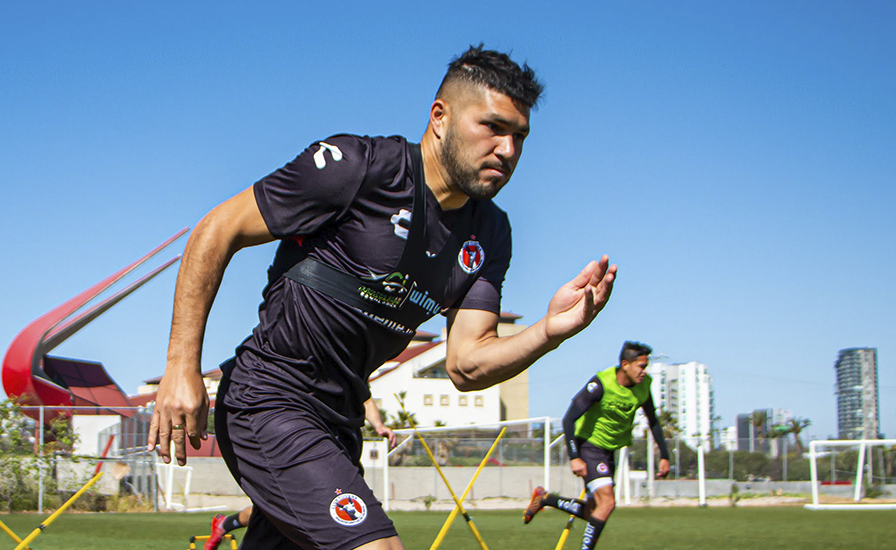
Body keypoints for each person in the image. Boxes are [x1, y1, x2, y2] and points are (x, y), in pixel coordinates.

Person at [148, 44, 617, 550]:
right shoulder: (360, 167)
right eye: (492, 127)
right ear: (440, 117)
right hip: (270, 399)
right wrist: (180, 367)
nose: (507, 150)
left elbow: (467, 363)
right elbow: (216, 229)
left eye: (519, 136)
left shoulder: (490, 234)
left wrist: (547, 331)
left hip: (340, 424)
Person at [522, 341, 670, 550]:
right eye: (641, 366)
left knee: (594, 512)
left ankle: (546, 499)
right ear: (625, 364)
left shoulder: (644, 386)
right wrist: (575, 457)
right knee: (608, 503)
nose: (644, 372)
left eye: (646, 367)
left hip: (610, 451)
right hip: (589, 447)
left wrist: (664, 455)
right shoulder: (601, 384)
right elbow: (568, 419)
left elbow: (653, 420)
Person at [205, 399, 397, 550]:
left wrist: (379, 425)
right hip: (306, 451)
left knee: (272, 518)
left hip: (341, 455)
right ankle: (225, 524)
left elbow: (367, 400)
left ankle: (225, 523)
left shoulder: (349, 373)